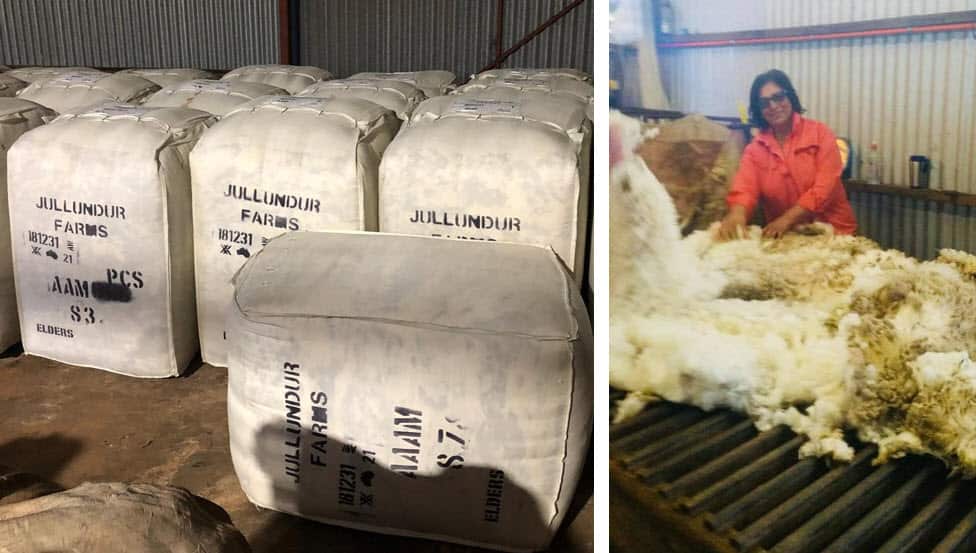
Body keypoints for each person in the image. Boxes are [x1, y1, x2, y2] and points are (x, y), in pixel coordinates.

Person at [718, 69, 857, 240]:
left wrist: (787, 219)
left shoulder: (821, 134)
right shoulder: (755, 149)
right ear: (758, 109)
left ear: (790, 96)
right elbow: (745, 187)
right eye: (764, 103)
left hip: (834, 232)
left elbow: (825, 187)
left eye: (778, 97)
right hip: (787, 237)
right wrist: (737, 213)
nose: (773, 106)